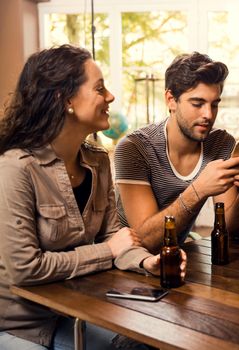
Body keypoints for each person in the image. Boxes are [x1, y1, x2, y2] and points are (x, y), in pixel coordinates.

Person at [0, 45, 185, 350]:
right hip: (22, 325)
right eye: (99, 88)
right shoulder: (15, 168)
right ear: (65, 99)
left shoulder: (98, 163)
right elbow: (25, 268)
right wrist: (107, 251)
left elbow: (117, 238)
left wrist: (147, 262)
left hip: (79, 311)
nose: (110, 97)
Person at [114, 52, 239, 253]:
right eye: (197, 104)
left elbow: (228, 227)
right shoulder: (133, 148)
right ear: (171, 100)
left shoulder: (220, 143)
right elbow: (145, 242)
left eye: (214, 104)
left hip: (178, 255)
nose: (208, 115)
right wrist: (199, 189)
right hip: (125, 263)